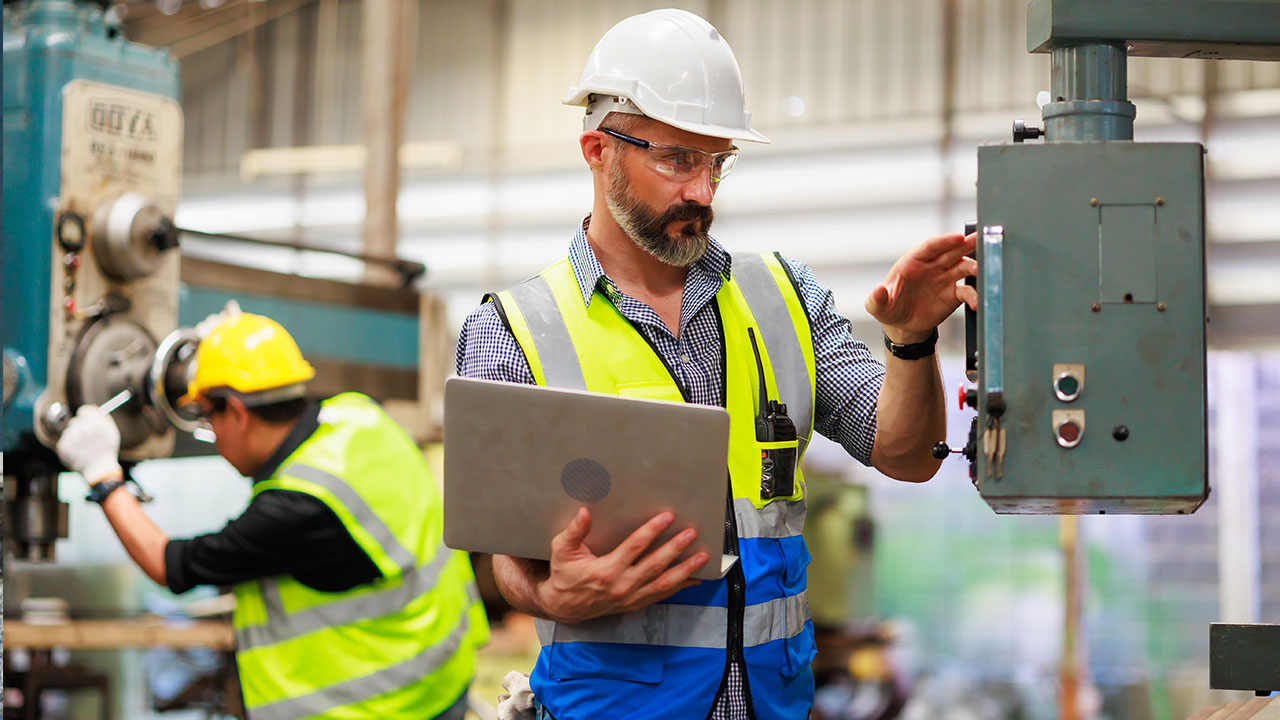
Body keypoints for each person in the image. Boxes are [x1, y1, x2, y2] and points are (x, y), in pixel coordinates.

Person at [456, 8, 977, 720]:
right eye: (675, 159)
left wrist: (911, 341)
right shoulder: (512, 330)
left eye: (716, 161)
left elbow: (908, 456)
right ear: (597, 150)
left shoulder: (783, 298)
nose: (701, 191)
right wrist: (546, 595)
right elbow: (496, 555)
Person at [57, 310, 489, 720]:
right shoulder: (361, 416)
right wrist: (229, 352)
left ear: (239, 413)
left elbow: (168, 563)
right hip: (443, 671)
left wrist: (103, 475)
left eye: (208, 418)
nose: (212, 435)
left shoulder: (295, 507)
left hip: (383, 704)